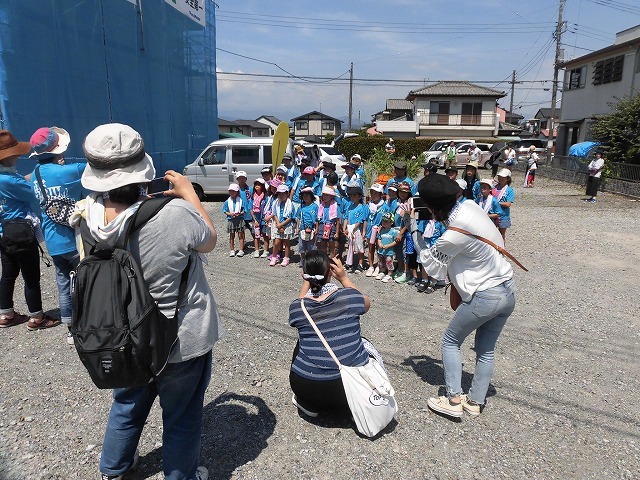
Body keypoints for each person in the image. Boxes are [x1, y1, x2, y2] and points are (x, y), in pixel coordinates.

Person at [73, 123, 219, 480]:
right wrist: (188, 194)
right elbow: (210, 239)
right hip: (179, 336)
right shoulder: (174, 213)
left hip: (124, 336)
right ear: (143, 170)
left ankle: (114, 468)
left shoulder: (86, 217)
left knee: (126, 404)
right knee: (182, 415)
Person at [413, 173, 515, 419]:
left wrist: (414, 230)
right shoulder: (470, 206)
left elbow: (432, 267)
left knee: (450, 340)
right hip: (508, 289)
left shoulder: (452, 234)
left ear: (431, 207)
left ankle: (454, 399)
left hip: (484, 296)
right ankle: (475, 402)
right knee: (486, 350)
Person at [288, 251, 372, 417]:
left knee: (302, 340)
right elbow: (366, 303)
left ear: (303, 275)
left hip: (307, 388)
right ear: (330, 272)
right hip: (350, 390)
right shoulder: (349, 297)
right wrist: (344, 279)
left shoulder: (297, 308)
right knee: (365, 343)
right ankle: (351, 405)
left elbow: (301, 302)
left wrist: (307, 282)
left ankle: (310, 404)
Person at [28, 126, 86, 343]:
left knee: (63, 282)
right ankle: (87, 322)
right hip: (74, 238)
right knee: (83, 281)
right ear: (58, 149)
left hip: (52, 240)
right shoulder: (72, 170)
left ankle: (70, 327)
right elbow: (94, 166)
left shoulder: (34, 174)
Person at [0, 130, 58, 330]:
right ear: (8, 157)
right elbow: (32, 192)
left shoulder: (5, 178)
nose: (17, 155)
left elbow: (20, 183)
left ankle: (6, 314)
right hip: (21, 233)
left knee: (8, 274)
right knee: (31, 276)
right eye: (14, 153)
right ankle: (37, 318)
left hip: (4, 232)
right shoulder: (10, 181)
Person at [269, 184, 296, 267]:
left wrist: (282, 225)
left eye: (282, 193)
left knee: (286, 242)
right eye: (279, 193)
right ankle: (274, 257)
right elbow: (274, 214)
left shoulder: (290, 204)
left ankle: (286, 257)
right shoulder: (276, 203)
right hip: (278, 224)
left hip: (286, 225)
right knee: (276, 242)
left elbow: (290, 217)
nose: (280, 195)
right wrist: (278, 224)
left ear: (287, 193)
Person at [343, 186, 367, 273]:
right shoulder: (349, 207)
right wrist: (344, 228)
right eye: (351, 195)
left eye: (354, 195)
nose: (352, 197)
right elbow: (346, 217)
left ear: (360, 196)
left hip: (357, 230)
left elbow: (360, 221)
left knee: (359, 246)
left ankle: (360, 264)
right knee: (350, 246)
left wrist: (352, 228)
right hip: (350, 230)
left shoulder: (361, 207)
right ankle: (349, 262)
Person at [363, 183, 386, 277]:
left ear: (381, 194)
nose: (373, 195)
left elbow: (386, 219)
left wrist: (382, 226)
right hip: (369, 230)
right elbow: (365, 219)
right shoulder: (368, 206)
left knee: (379, 249)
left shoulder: (384, 206)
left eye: (376, 193)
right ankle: (371, 266)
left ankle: (379, 266)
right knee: (370, 248)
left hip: (380, 231)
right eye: (372, 193)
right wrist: (364, 231)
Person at [316, 186, 341, 258]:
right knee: (323, 243)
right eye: (324, 195)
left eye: (327, 195)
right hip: (322, 226)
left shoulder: (335, 206)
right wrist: (317, 229)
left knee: (331, 243)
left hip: (331, 226)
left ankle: (332, 257)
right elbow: (318, 218)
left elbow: (338, 220)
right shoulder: (321, 206)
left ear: (331, 196)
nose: (325, 197)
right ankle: (324, 258)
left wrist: (337, 232)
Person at [222, 183, 245, 257]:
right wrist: (230, 214)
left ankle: (241, 250)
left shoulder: (241, 200)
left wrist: (240, 213)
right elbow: (225, 210)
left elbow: (245, 209)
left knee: (240, 235)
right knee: (232, 235)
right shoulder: (227, 201)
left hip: (239, 219)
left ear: (237, 192)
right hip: (231, 220)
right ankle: (232, 250)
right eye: (230, 191)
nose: (232, 192)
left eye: (234, 191)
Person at [296, 187, 318, 264]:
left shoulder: (315, 206)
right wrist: (296, 228)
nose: (305, 197)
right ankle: (302, 259)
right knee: (302, 246)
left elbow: (317, 219)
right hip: (302, 228)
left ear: (311, 196)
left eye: (307, 195)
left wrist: (316, 229)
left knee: (311, 246)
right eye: (303, 195)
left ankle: (310, 260)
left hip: (312, 228)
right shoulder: (301, 206)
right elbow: (298, 218)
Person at [492, 168, 515, 243]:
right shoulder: (493, 187)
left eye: (503, 177)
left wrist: (496, 202)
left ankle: (502, 250)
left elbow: (508, 204)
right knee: (491, 234)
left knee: (501, 235)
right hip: (493, 215)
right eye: (499, 177)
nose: (500, 179)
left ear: (508, 179)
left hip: (503, 216)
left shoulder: (509, 190)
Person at [376, 212, 399, 283]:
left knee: (389, 262)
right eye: (383, 221)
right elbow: (379, 238)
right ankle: (382, 272)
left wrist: (388, 246)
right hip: (381, 251)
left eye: (386, 221)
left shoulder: (394, 231)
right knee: (381, 262)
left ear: (391, 222)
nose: (384, 222)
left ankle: (389, 274)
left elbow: (396, 241)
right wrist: (379, 244)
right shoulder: (381, 230)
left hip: (389, 251)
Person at [250, 178, 267, 257]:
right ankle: (256, 250)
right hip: (256, 219)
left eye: (259, 184)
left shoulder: (265, 197)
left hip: (264, 218)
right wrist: (254, 219)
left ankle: (265, 250)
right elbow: (250, 208)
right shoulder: (253, 196)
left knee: (265, 234)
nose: (257, 186)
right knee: (256, 235)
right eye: (256, 184)